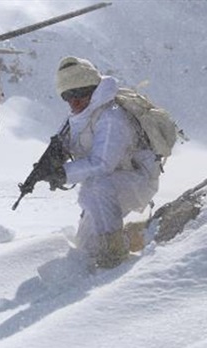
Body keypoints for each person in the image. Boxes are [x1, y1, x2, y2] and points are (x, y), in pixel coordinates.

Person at [49, 56, 161, 269]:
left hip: (137, 179)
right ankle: (138, 234)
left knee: (97, 187)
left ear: (91, 90)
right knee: (84, 247)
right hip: (108, 182)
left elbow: (102, 163)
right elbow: (61, 146)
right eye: (67, 97)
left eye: (78, 94)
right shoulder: (75, 118)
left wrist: (61, 173)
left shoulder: (112, 117)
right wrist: (49, 164)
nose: (73, 102)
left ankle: (114, 254)